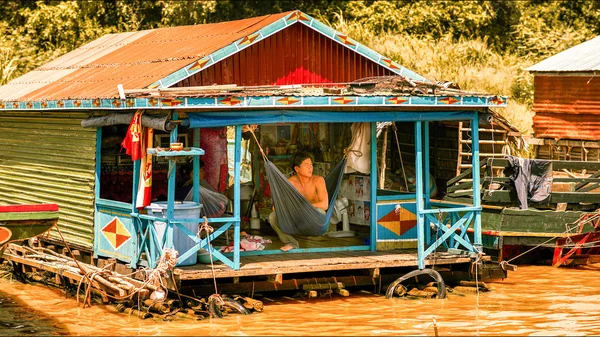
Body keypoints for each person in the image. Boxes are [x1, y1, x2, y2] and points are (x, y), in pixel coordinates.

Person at [269, 151, 328, 251]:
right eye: (306, 165)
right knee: (273, 216)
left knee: (320, 212)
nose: (310, 168)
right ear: (297, 169)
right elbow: (276, 207)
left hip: (314, 220)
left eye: (311, 165)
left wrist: (305, 207)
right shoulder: (290, 183)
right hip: (296, 219)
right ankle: (291, 242)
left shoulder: (318, 180)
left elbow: (325, 205)